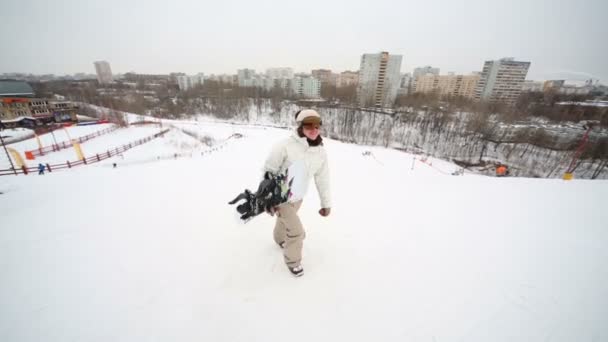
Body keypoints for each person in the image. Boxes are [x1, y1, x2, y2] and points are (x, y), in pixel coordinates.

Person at [263, 109, 331, 277]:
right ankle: (293, 261)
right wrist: (267, 198)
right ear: (300, 127)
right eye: (309, 126)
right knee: (297, 232)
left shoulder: (320, 152)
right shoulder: (284, 146)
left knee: (284, 221)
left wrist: (326, 203)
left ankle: (279, 239)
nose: (314, 130)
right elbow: (268, 172)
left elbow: (323, 179)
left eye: (317, 126)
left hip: (298, 197)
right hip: (280, 197)